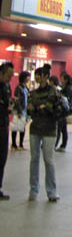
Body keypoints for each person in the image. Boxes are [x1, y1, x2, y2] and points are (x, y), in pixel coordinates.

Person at [27, 66, 60, 202]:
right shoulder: (33, 93)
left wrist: (38, 107)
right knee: (34, 159)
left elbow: (49, 107)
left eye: (39, 75)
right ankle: (33, 189)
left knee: (48, 160)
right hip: (35, 128)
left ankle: (51, 191)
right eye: (35, 75)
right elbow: (30, 110)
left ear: (46, 76)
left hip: (49, 129)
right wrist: (40, 107)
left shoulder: (54, 91)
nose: (36, 77)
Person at [0, 62, 15, 200]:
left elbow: (7, 103)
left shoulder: (6, 86)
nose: (10, 79)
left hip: (4, 126)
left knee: (2, 158)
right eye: (8, 76)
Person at [11, 70, 30, 150]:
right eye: (28, 77)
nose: (29, 78)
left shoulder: (26, 87)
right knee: (16, 127)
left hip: (24, 110)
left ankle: (21, 144)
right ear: (24, 77)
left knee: (22, 127)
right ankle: (14, 144)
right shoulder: (19, 88)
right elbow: (17, 100)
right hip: (19, 110)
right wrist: (19, 111)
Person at [55, 73, 72, 152]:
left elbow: (64, 100)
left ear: (65, 80)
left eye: (62, 79)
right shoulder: (67, 88)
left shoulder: (67, 89)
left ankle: (56, 144)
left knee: (60, 129)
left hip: (63, 111)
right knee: (63, 129)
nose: (61, 80)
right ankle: (63, 145)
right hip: (65, 111)